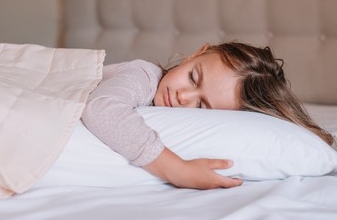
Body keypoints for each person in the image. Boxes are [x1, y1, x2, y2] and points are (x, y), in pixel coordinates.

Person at [81, 42, 335, 190]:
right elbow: (102, 108)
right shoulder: (143, 75)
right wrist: (177, 169)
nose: (183, 96)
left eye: (201, 106)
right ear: (196, 54)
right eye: (193, 77)